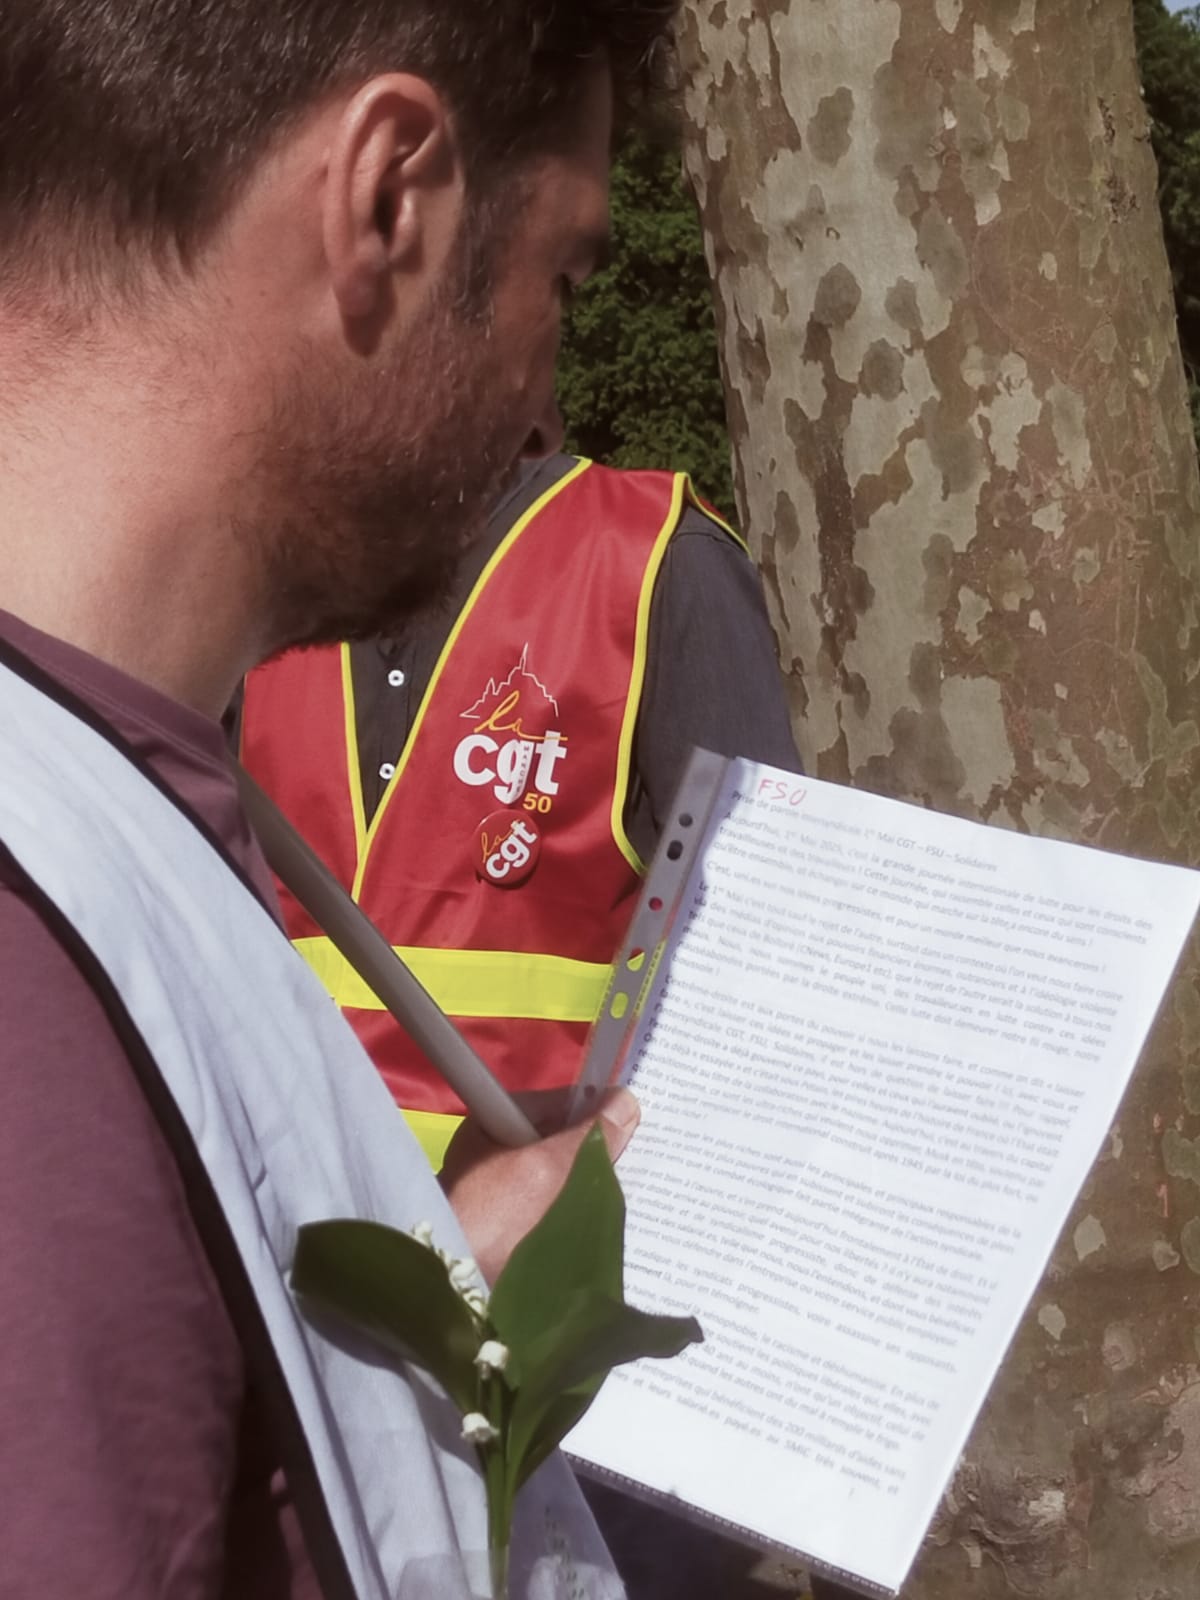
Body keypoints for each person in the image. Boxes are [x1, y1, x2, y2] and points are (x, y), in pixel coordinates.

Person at [0, 3, 680, 1596]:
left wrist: (403, 1334)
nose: (540, 401)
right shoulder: (26, 973)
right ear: (389, 199)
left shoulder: (108, 797)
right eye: (563, 279)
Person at [239, 450, 803, 1168]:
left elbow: (767, 987)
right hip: (289, 1241)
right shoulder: (253, 582)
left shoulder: (661, 561)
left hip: (552, 1251)